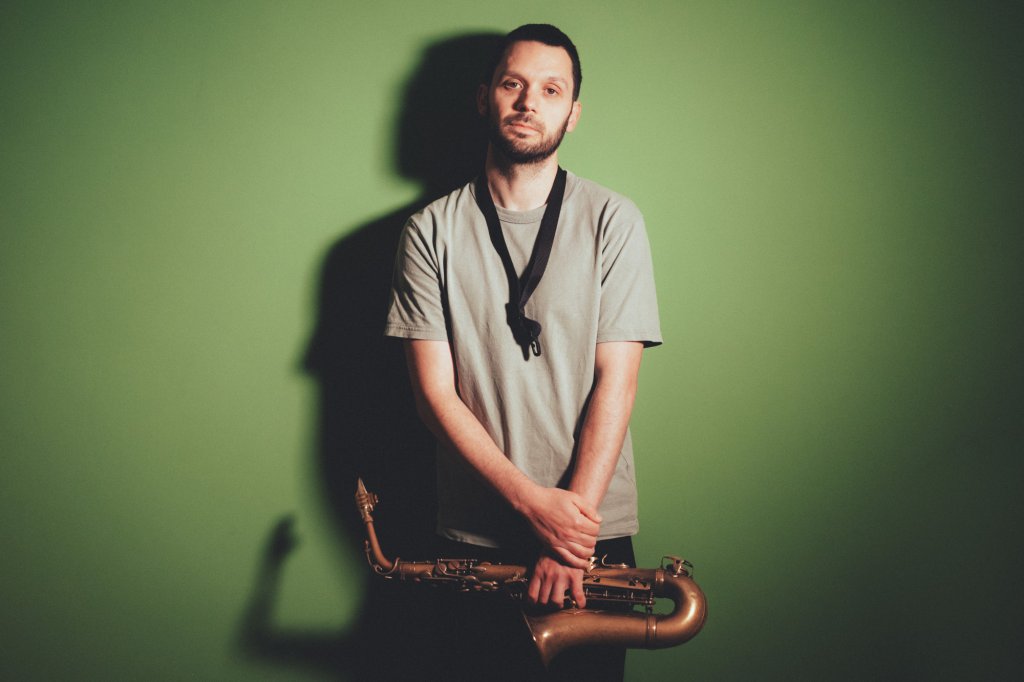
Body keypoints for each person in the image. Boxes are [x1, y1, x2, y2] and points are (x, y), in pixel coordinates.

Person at [384, 23, 661, 680]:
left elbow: (616, 380)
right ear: (485, 97)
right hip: (475, 543)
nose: (528, 102)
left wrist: (570, 536)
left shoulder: (614, 220)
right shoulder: (429, 231)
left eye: (550, 88)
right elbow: (433, 394)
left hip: (591, 538)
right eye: (513, 84)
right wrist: (532, 505)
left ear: (573, 111)